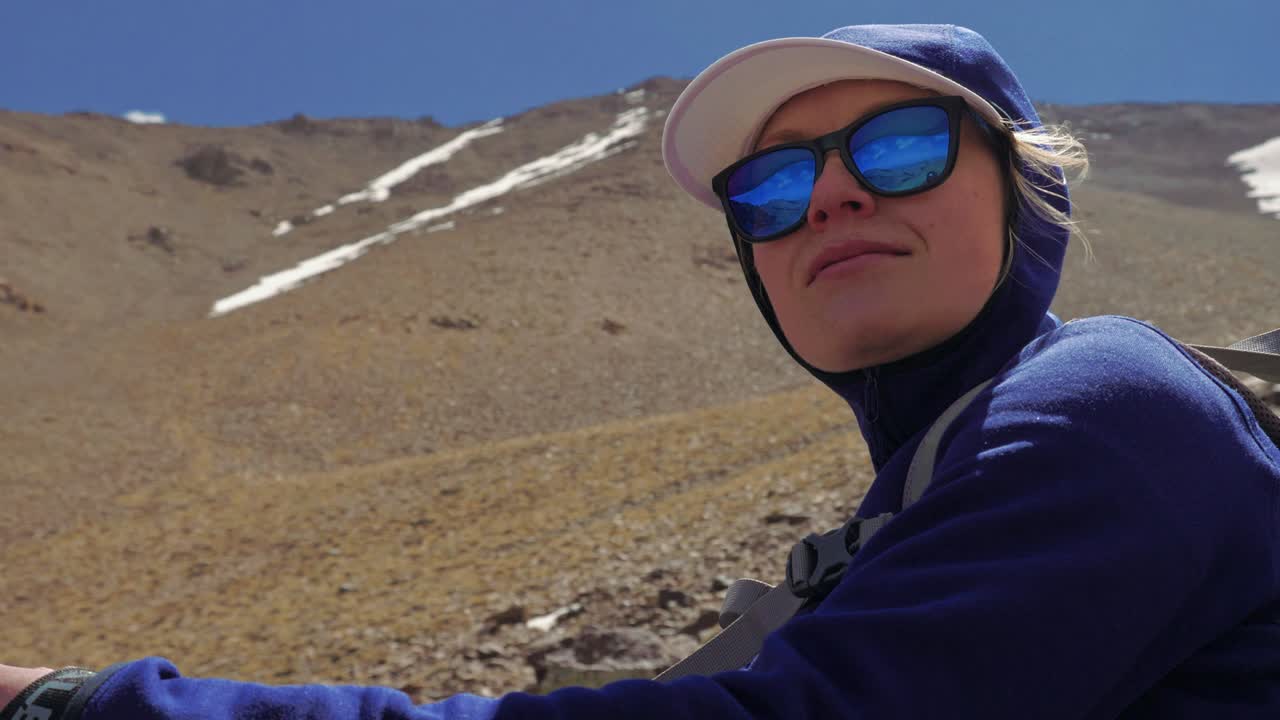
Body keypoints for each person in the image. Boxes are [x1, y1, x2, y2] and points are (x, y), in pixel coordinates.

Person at [5, 23, 1280, 720]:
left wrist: (78, 706)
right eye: (768, 188)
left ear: (1029, 196)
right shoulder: (940, 475)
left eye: (897, 147)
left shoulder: (1103, 409)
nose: (825, 195)